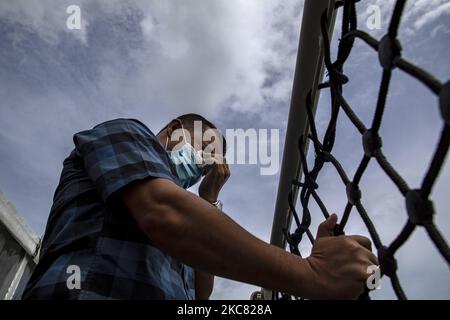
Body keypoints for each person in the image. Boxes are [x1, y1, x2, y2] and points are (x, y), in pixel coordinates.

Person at [23, 114, 378, 300]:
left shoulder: (190, 222)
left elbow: (200, 295)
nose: (207, 163)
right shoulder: (126, 133)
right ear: (173, 131)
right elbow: (163, 212)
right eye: (206, 150)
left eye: (212, 161)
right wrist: (313, 274)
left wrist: (208, 199)